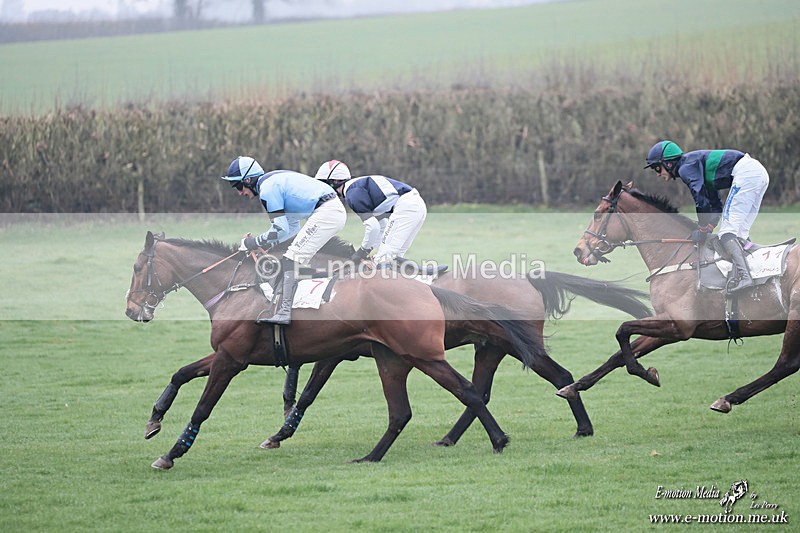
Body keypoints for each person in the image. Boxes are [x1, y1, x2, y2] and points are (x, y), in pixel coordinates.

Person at [221, 156, 346, 324]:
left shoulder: (267, 189)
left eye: (238, 185)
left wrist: (253, 243)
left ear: (249, 180)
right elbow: (290, 228)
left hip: (327, 212)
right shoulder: (271, 183)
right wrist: (265, 245)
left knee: (292, 259)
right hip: (329, 211)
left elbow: (279, 229)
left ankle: (284, 312)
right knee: (291, 258)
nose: (239, 192)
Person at [644, 140, 770, 293]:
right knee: (740, 234)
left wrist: (702, 229)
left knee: (727, 234)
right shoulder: (696, 167)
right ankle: (755, 272)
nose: (658, 174)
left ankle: (745, 277)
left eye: (657, 168)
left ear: (669, 164)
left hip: (747, 174)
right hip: (757, 173)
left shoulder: (685, 168)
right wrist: (709, 227)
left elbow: (700, 198)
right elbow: (715, 205)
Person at [314, 159, 443, 275]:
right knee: (394, 259)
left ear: (335, 181)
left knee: (383, 262)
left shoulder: (352, 194)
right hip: (415, 206)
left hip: (407, 208)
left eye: (325, 185)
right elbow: (381, 227)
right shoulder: (358, 187)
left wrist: (362, 252)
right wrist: (367, 252)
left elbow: (373, 228)